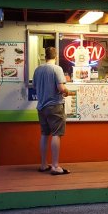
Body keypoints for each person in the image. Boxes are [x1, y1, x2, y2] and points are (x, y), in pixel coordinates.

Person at [33, 47, 70, 175]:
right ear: (56, 57)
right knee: (56, 134)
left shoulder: (38, 69)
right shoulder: (57, 69)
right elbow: (61, 87)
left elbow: (35, 86)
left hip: (41, 107)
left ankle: (43, 164)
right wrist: (66, 91)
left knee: (44, 134)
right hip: (55, 106)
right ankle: (55, 166)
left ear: (45, 57)